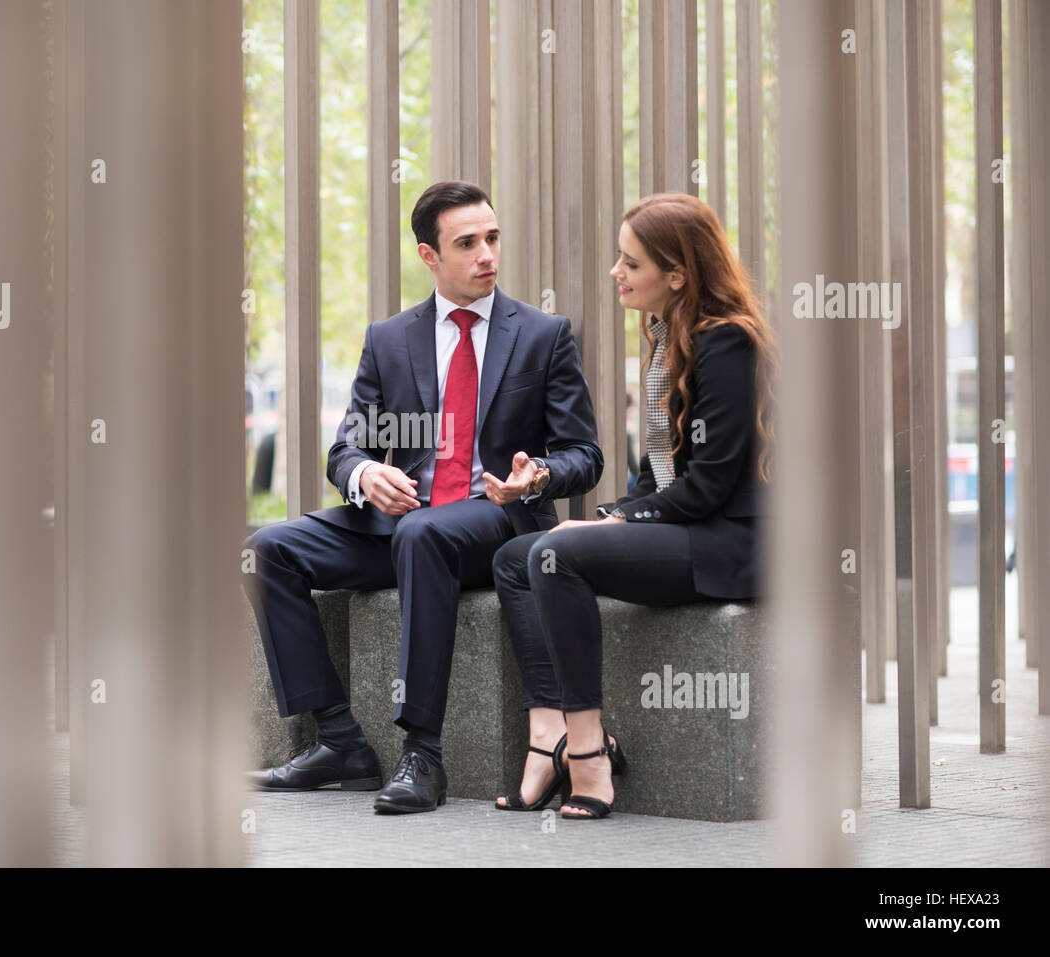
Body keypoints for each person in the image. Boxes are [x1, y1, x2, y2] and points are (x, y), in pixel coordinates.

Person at [242, 181, 603, 813]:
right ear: (428, 256)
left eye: (492, 238)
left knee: (423, 534)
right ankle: (339, 740)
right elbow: (347, 446)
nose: (487, 254)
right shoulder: (390, 339)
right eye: (467, 243)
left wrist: (537, 475)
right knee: (267, 549)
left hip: (496, 522)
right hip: (403, 527)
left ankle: (424, 754)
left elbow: (584, 454)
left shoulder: (543, 336)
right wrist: (363, 476)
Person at [491, 192, 777, 820]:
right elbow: (657, 474)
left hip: (728, 543)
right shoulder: (663, 338)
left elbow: (708, 485)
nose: (616, 273)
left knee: (556, 552)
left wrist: (615, 520)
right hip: (686, 528)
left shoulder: (726, 343)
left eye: (631, 263)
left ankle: (589, 754)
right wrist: (617, 511)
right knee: (516, 558)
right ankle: (548, 739)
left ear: (677, 275)